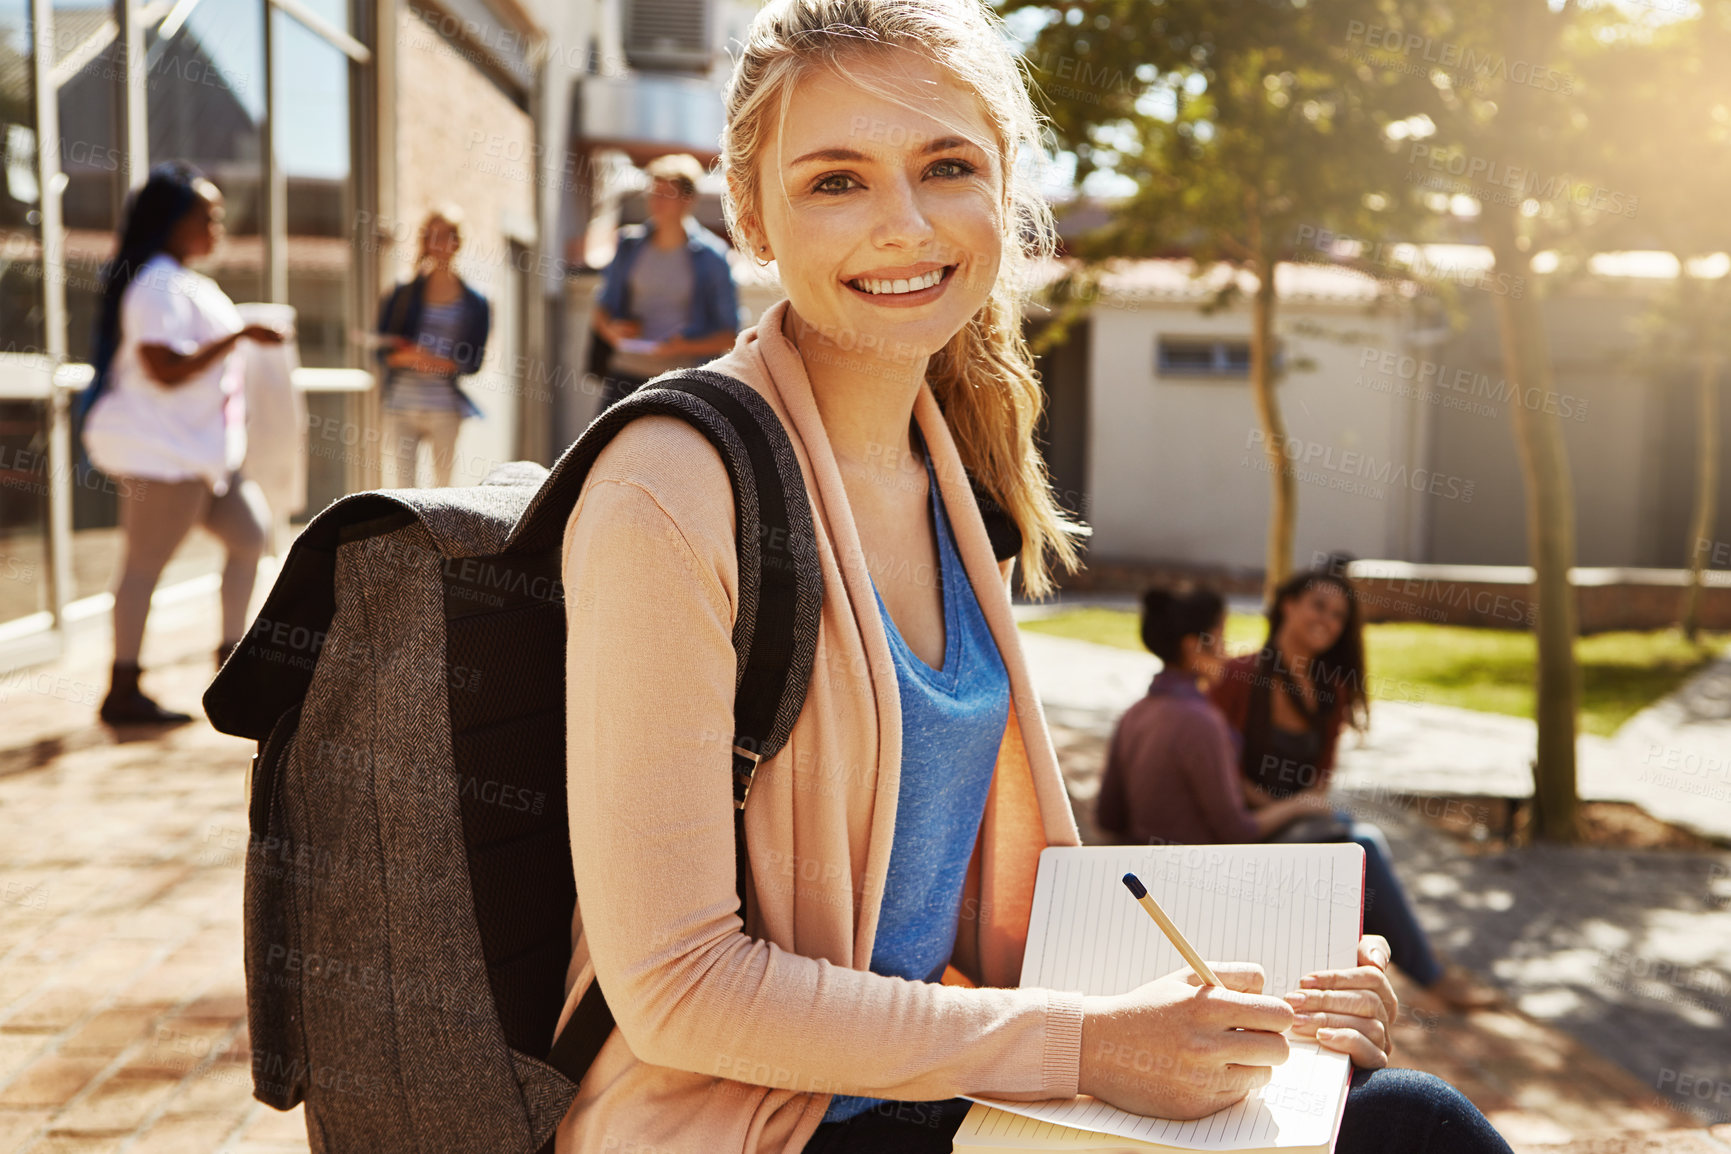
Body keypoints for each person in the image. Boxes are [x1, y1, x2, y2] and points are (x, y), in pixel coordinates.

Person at [555, 2, 1513, 1152]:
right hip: (750, 1124)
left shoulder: (954, 476)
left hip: (931, 1089)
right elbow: (676, 988)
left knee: (1404, 1117)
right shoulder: (670, 489)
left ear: (1002, 186)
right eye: (836, 181)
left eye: (946, 165)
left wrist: (1282, 997)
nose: (903, 225)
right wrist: (1089, 1044)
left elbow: (992, 919)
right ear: (752, 217)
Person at [1210, 569, 1500, 1010]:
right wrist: (1285, 807)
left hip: (1302, 822)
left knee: (1356, 844)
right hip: (1249, 826)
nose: (1327, 620)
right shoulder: (1240, 676)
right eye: (1318, 606)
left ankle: (1386, 975)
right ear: (1288, 604)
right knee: (1362, 843)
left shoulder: (1332, 689)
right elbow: (1219, 769)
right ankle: (1428, 977)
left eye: (1339, 615)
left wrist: (1305, 807)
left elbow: (1321, 777)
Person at [81, 162, 284, 726]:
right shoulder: (155, 283)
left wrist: (238, 331)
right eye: (207, 214)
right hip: (162, 454)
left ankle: (230, 665)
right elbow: (164, 367)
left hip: (203, 456)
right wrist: (239, 335)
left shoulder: (187, 281)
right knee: (144, 567)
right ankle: (122, 689)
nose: (218, 224)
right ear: (172, 220)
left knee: (250, 535)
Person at [1096, 586, 1339, 847]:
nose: (1226, 652)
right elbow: (1237, 831)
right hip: (1199, 872)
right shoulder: (1202, 722)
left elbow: (1107, 818)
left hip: (1142, 867)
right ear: (1193, 646)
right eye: (1222, 638)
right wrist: (1299, 805)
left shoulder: (1135, 714)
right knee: (1357, 841)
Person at [590, 153, 741, 411]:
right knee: (604, 450)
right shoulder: (629, 245)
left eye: (665, 195)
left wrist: (685, 346)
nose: (655, 202)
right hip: (625, 372)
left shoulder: (712, 257)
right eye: (653, 193)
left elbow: (729, 334)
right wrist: (612, 331)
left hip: (682, 378)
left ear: (687, 200)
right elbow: (601, 310)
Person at [375, 206, 490, 487]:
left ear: (457, 242)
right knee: (403, 493)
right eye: (432, 235)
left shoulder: (475, 302)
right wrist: (412, 356)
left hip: (444, 408)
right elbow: (383, 351)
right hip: (401, 404)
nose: (438, 243)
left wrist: (425, 359)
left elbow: (471, 363)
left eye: (445, 235)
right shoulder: (402, 294)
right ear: (424, 241)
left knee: (443, 492)